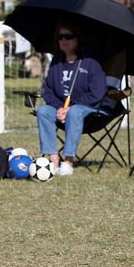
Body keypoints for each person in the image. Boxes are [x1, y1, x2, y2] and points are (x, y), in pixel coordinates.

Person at [36, 20, 110, 176]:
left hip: (88, 109)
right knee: (43, 111)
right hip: (62, 108)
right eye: (60, 37)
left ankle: (68, 160)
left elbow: (97, 93)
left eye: (68, 36)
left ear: (78, 39)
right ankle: (53, 159)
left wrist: (70, 107)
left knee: (75, 111)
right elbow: (48, 91)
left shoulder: (91, 62)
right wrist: (59, 108)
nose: (63, 40)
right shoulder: (57, 61)